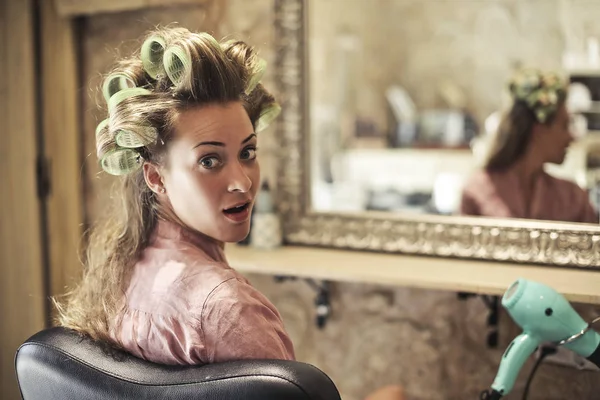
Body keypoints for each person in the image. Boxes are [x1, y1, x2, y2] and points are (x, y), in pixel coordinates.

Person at [54, 27, 405, 400]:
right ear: (156, 176)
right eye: (209, 160)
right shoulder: (228, 311)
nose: (242, 182)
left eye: (247, 153)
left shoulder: (124, 270)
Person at [460, 68, 598, 223]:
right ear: (538, 128)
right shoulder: (478, 190)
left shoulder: (573, 199)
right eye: (564, 126)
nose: (571, 137)